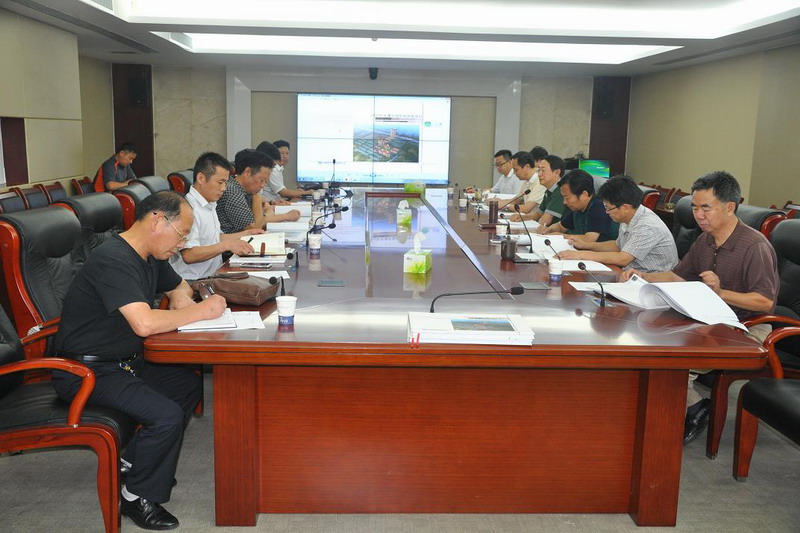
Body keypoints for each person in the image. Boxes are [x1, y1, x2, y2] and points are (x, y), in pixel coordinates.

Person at [52, 191, 227, 530]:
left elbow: (179, 286)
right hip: (85, 372)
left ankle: (132, 463)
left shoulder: (148, 254)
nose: (182, 244)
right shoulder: (113, 259)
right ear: (157, 221)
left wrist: (181, 298)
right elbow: (144, 324)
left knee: (185, 386)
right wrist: (201, 311)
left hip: (123, 362)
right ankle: (135, 496)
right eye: (181, 235)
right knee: (166, 416)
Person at [620, 171, 779, 444]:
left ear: (730, 207)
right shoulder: (705, 239)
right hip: (708, 318)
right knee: (648, 334)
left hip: (747, 328)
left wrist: (721, 293)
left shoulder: (754, 246)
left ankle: (674, 419)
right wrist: (643, 276)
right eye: (695, 207)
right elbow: (678, 276)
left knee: (671, 354)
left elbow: (764, 301)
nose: (699, 215)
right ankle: (687, 407)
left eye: (706, 208)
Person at [169, 152, 264, 280]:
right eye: (220, 182)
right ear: (201, 178)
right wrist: (227, 246)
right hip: (194, 280)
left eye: (225, 183)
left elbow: (215, 238)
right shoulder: (188, 209)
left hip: (214, 273)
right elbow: (189, 255)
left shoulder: (209, 203)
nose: (224, 188)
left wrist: (246, 234)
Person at [557, 174, 678, 271]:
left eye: (608, 208)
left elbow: (623, 259)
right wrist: (584, 245)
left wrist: (581, 255)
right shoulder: (629, 216)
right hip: (631, 273)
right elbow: (618, 246)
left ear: (625, 207)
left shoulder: (647, 225)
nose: (606, 212)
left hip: (654, 281)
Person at [216, 149, 301, 234]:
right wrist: (257, 196)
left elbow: (262, 215)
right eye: (261, 180)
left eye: (266, 182)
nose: (263, 185)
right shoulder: (233, 192)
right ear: (247, 172)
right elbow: (255, 228)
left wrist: (265, 210)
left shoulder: (244, 189)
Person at [540, 169, 619, 242]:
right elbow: (560, 226)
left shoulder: (599, 207)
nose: (564, 202)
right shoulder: (577, 208)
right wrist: (548, 230)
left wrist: (560, 236)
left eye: (567, 198)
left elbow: (589, 239)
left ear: (584, 195)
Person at [510, 154, 566, 228]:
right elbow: (538, 214)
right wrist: (522, 217)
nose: (539, 174)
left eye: (543, 170)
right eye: (539, 170)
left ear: (557, 172)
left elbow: (545, 221)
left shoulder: (561, 190)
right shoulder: (549, 190)